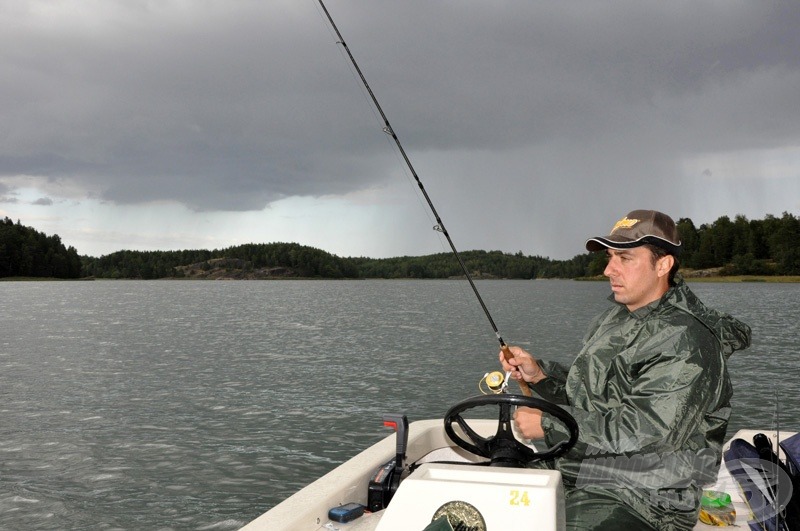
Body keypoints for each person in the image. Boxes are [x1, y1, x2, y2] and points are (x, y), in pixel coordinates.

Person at [499, 209, 751, 531]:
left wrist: (549, 424)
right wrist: (541, 376)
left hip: (650, 497)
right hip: (589, 468)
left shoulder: (688, 342)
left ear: (663, 265)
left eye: (624, 258)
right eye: (609, 257)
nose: (608, 269)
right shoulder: (615, 318)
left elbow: (647, 435)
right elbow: (597, 395)